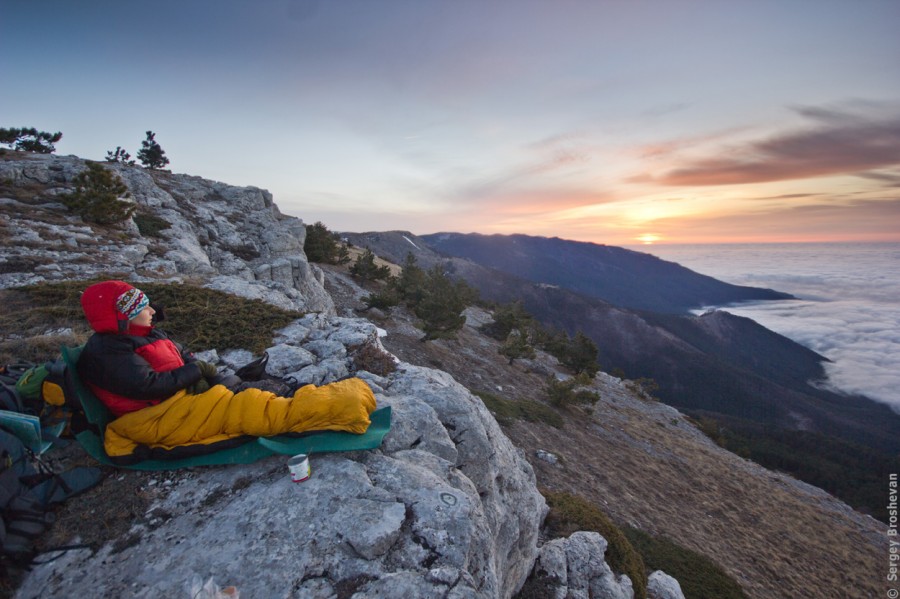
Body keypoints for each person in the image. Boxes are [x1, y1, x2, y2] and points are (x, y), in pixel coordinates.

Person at [76, 280, 376, 461]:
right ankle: (344, 406)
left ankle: (318, 398)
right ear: (120, 319)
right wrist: (197, 371)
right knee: (253, 409)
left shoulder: (145, 334)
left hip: (186, 399)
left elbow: (180, 356)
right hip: (161, 417)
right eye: (143, 308)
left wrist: (200, 370)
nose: (152, 310)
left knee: (250, 392)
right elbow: (148, 386)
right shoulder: (107, 352)